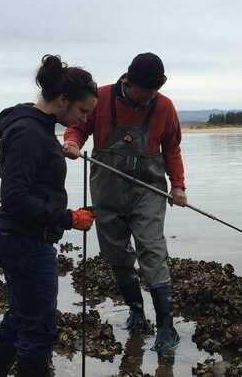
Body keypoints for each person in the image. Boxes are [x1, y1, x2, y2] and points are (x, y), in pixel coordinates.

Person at [0, 55, 99, 377]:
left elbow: (30, 177)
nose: (82, 118)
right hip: (24, 240)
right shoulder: (29, 132)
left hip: (20, 238)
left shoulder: (37, 129)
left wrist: (52, 150)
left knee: (20, 319)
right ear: (63, 99)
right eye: (82, 111)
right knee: (39, 332)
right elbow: (14, 198)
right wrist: (68, 218)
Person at [62, 52, 187, 354]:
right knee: (115, 252)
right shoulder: (100, 99)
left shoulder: (165, 107)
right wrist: (73, 142)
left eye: (155, 90)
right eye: (145, 90)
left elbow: (172, 148)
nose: (150, 97)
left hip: (149, 191)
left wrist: (179, 185)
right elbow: (79, 126)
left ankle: (166, 327)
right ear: (127, 82)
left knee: (152, 249)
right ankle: (136, 311)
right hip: (107, 191)